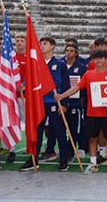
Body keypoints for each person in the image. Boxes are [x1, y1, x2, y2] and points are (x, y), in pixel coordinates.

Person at [56, 50, 107, 175]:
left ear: (106, 59)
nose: (99, 61)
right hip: (91, 113)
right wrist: (62, 96)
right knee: (92, 138)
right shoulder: (88, 74)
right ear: (93, 60)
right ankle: (93, 163)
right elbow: (76, 88)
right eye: (96, 58)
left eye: (101, 58)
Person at [21, 37, 70, 172]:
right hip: (38, 103)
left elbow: (66, 84)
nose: (42, 46)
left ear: (52, 46)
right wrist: (23, 86)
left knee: (60, 131)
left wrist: (64, 103)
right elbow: (27, 81)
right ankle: (33, 159)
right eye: (40, 43)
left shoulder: (60, 64)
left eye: (45, 43)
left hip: (54, 102)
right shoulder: (35, 64)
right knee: (36, 131)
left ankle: (64, 159)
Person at [61, 43, 87, 160]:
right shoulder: (61, 65)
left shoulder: (81, 67)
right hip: (61, 101)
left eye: (71, 51)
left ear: (76, 53)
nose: (69, 53)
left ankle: (73, 148)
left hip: (75, 102)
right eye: (67, 50)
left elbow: (83, 86)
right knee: (60, 127)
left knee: (74, 127)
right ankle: (63, 148)